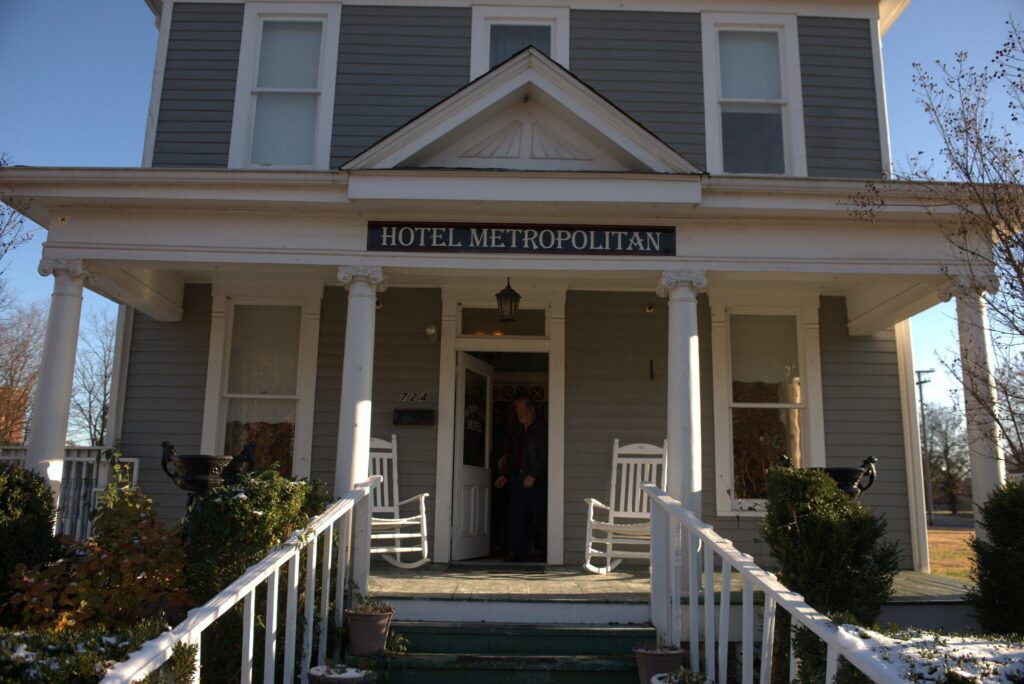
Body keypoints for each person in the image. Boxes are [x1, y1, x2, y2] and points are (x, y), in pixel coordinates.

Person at [494, 393, 547, 562]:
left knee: (538, 516)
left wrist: (533, 474)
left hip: (535, 480)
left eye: (524, 410)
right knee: (516, 515)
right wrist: (505, 475)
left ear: (532, 410)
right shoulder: (518, 432)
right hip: (518, 478)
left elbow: (545, 456)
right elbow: (515, 457)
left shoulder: (541, 430)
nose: (520, 413)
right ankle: (519, 552)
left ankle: (544, 551)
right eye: (518, 411)